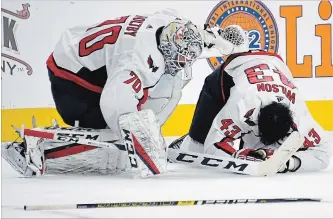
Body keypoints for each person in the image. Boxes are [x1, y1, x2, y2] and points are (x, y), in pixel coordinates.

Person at [2, 9, 249, 176]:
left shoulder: (174, 26)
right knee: (118, 149)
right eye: (178, 58)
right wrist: (141, 141)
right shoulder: (137, 61)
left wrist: (231, 43)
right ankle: (34, 150)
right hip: (71, 80)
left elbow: (205, 41)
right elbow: (115, 106)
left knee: (170, 83)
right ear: (166, 48)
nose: (182, 63)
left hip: (85, 57)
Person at [169, 50, 332, 173]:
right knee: (198, 149)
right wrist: (239, 156)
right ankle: (187, 142)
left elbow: (324, 153)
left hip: (273, 63)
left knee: (264, 155)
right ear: (254, 121)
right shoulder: (241, 105)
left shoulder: (299, 116)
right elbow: (213, 145)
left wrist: (289, 162)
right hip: (231, 72)